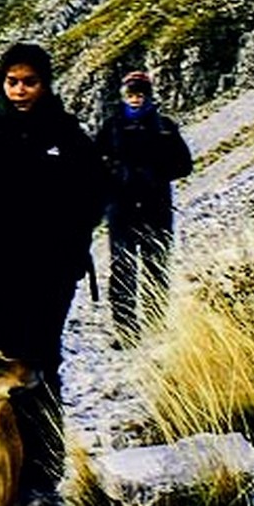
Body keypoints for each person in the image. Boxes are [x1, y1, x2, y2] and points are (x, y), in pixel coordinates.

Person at [0, 43, 108, 506]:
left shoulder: (66, 134)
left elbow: (95, 192)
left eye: (29, 81)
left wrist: (71, 236)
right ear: (1, 83)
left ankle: (41, 476)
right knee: (10, 365)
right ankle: (8, 474)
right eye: (12, 82)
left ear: (44, 83)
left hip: (51, 267)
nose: (20, 90)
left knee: (39, 362)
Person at [94, 70, 193, 345]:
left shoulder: (165, 127)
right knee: (122, 267)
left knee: (156, 265)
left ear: (148, 95)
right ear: (123, 96)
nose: (135, 99)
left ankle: (156, 323)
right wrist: (113, 176)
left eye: (140, 93)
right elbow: (92, 164)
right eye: (130, 93)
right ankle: (126, 330)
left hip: (155, 206)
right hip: (121, 208)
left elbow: (185, 165)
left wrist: (155, 174)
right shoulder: (111, 127)